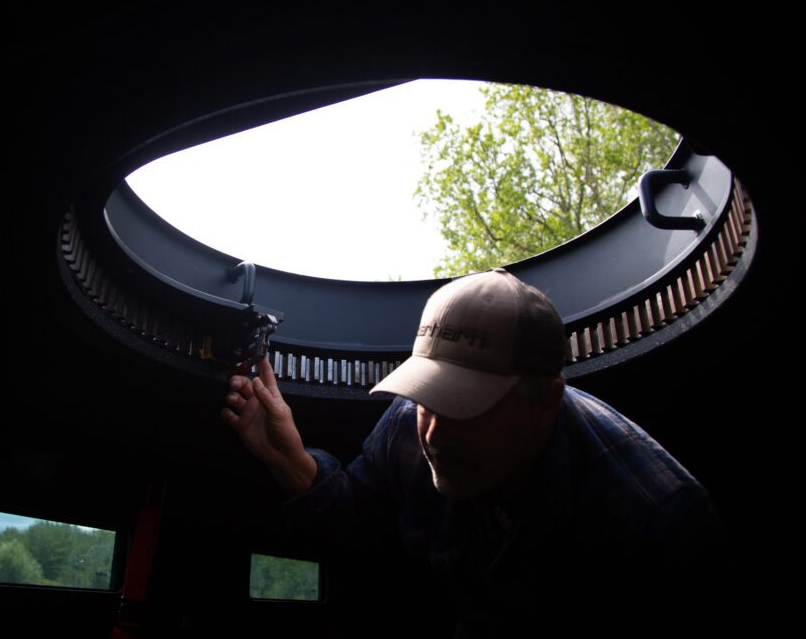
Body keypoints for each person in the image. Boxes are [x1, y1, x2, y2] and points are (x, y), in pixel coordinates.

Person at [221, 268, 723, 634]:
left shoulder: (655, 519)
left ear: (544, 402)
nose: (434, 434)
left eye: (466, 407)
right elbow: (364, 518)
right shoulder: (405, 426)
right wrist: (288, 459)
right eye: (427, 398)